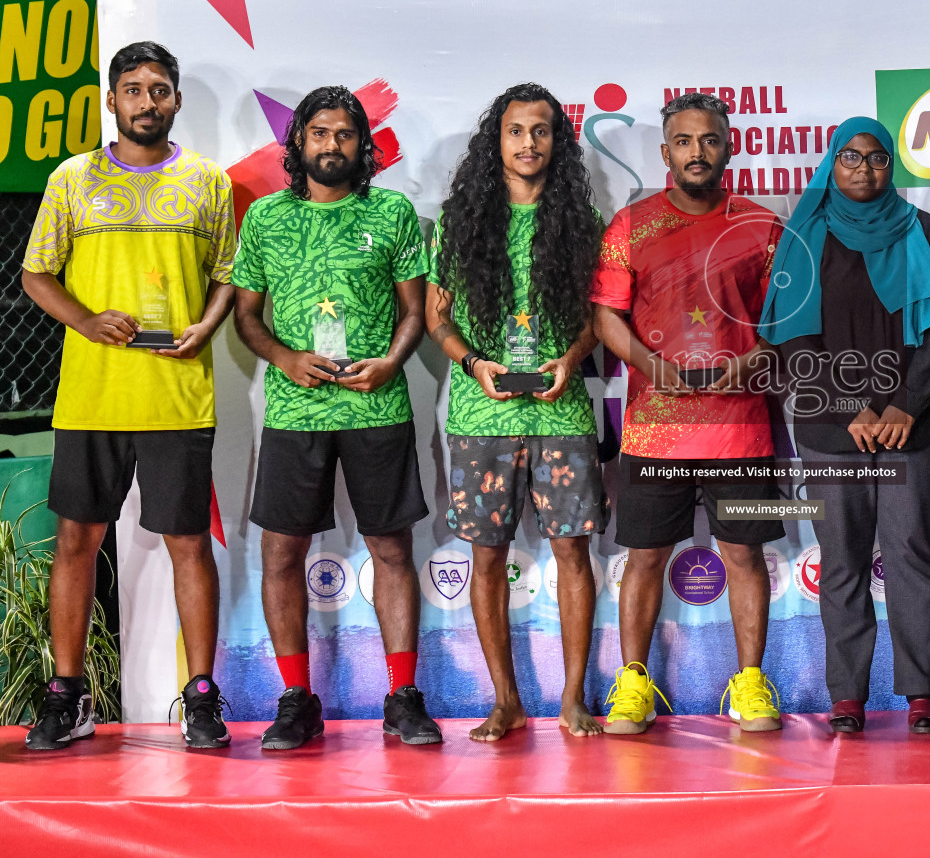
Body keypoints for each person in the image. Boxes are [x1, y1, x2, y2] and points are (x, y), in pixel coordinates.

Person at [21, 41, 235, 751]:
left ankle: (200, 698)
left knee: (187, 543)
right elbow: (36, 274)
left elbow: (229, 273)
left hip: (175, 394)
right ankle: (68, 696)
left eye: (161, 89)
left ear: (176, 101)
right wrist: (85, 319)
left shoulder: (207, 183)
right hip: (92, 396)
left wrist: (205, 325)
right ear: (111, 101)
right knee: (77, 541)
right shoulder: (72, 179)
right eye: (134, 89)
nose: (148, 100)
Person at [232, 85, 439, 749]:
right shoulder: (265, 219)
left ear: (362, 144)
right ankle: (296, 699)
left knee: (391, 549)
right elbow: (246, 317)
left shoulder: (394, 212)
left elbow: (415, 313)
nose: (331, 145)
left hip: (377, 405)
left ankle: (404, 696)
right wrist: (286, 359)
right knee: (281, 552)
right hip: (296, 413)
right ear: (298, 144)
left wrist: (391, 362)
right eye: (318, 133)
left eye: (344, 134)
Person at [591, 92, 785, 734]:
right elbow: (606, 316)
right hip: (655, 429)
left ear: (729, 146)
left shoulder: (762, 225)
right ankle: (633, 684)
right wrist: (651, 368)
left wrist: (753, 360)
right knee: (644, 558)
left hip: (742, 428)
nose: (696, 152)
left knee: (743, 557)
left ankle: (750, 683)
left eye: (709, 140)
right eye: (683, 141)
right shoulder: (631, 226)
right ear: (665, 150)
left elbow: (787, 321)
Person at [759, 117, 930, 734]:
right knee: (841, 560)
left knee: (910, 556)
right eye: (851, 158)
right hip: (830, 429)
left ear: (891, 164)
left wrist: (904, 405)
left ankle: (921, 692)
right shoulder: (804, 236)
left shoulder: (923, 232)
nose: (865, 169)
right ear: (831, 164)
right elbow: (794, 336)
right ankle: (847, 695)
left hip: (909, 428)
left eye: (877, 158)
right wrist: (853, 409)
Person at [426, 84, 608, 739]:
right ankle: (504, 700)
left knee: (573, 556)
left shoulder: (581, 226)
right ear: (494, 141)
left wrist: (573, 359)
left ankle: (572, 698)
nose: (528, 143)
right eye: (515, 131)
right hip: (481, 419)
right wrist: (472, 363)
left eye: (541, 131)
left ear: (556, 142)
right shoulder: (460, 220)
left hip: (561, 416)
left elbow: (596, 320)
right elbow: (436, 318)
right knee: (485, 560)